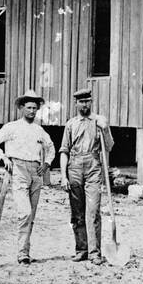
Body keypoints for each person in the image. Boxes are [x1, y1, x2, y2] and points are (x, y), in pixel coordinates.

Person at [0, 88, 56, 265]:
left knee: (31, 215)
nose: (32, 111)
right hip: (18, 170)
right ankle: (22, 252)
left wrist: (46, 164)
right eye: (29, 107)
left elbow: (51, 148)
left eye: (34, 108)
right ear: (22, 108)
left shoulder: (39, 130)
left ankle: (24, 252)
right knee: (24, 212)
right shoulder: (11, 127)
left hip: (36, 172)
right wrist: (3, 158)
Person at [58, 88, 113, 264]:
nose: (84, 104)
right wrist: (63, 175)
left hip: (93, 167)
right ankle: (81, 249)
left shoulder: (98, 121)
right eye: (81, 101)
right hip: (74, 167)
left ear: (91, 102)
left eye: (87, 101)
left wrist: (105, 129)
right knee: (77, 211)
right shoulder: (71, 124)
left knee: (93, 210)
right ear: (76, 104)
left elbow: (109, 146)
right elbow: (64, 151)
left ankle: (95, 252)